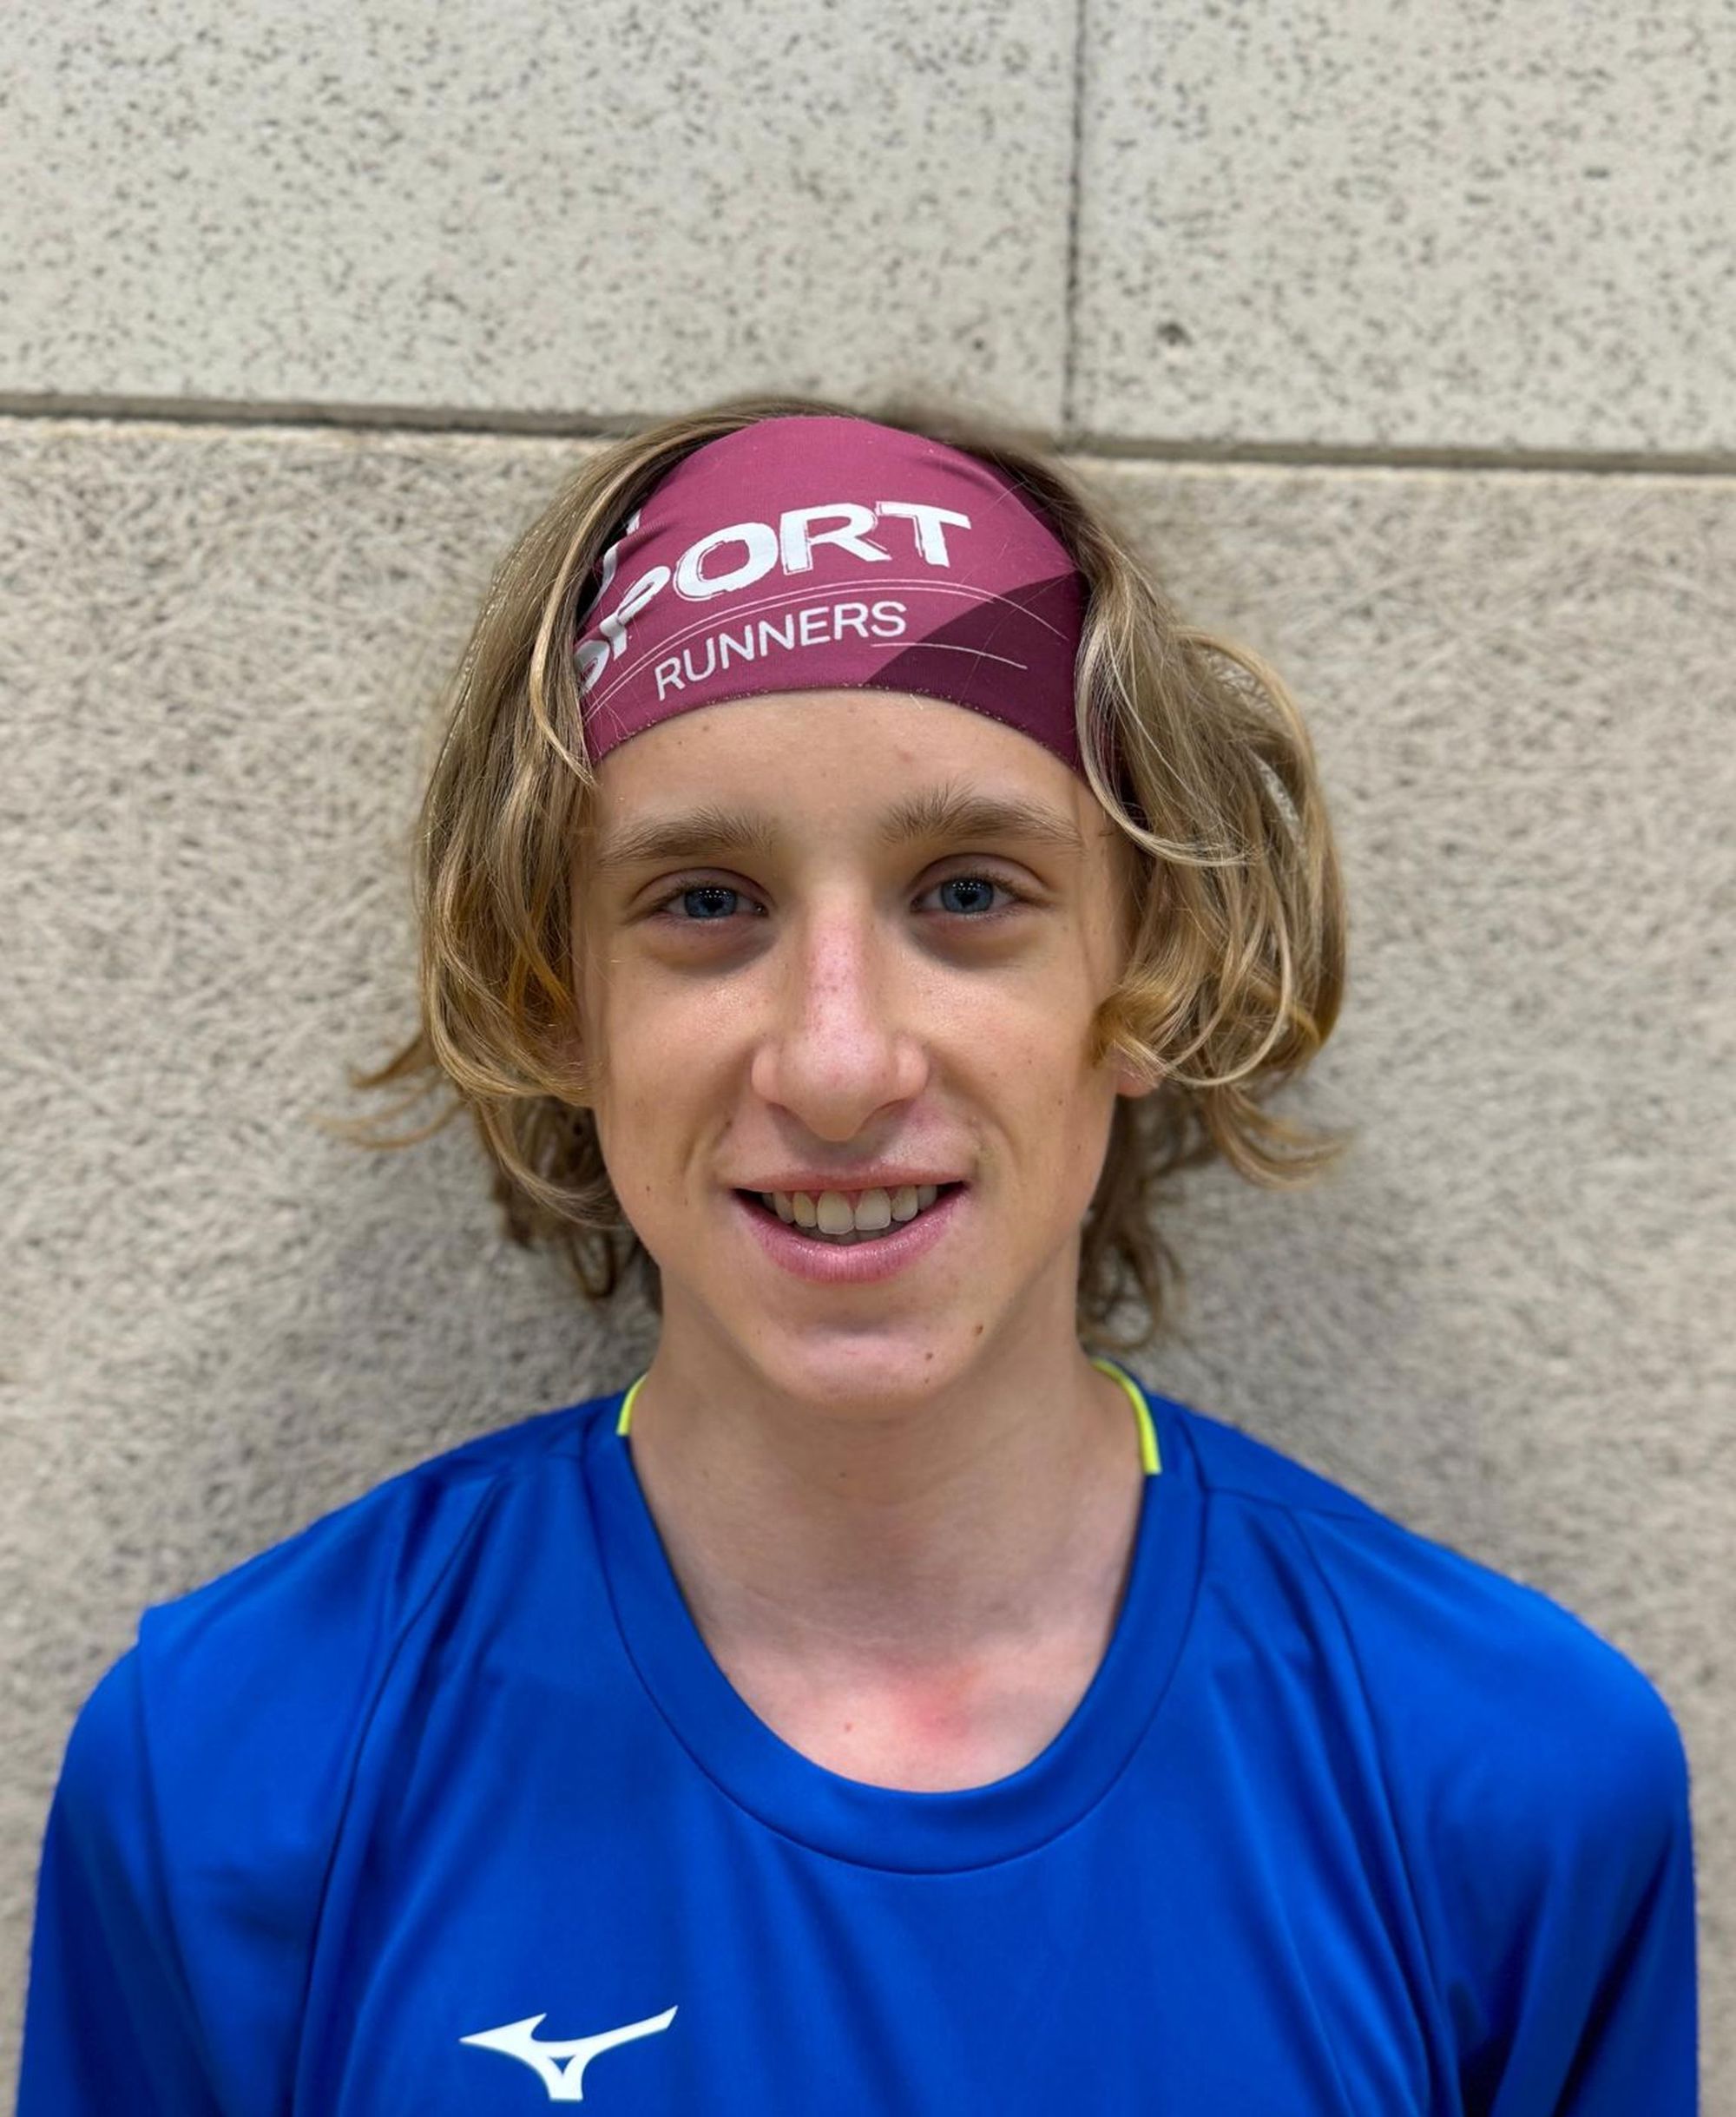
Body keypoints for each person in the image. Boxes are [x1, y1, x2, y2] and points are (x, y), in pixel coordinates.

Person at [16, 399, 1697, 2114]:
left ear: (1155, 968)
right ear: (552, 994)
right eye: (704, 900)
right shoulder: (236, 1772)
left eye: (968, 893)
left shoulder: (1507, 1784)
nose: (836, 1063)